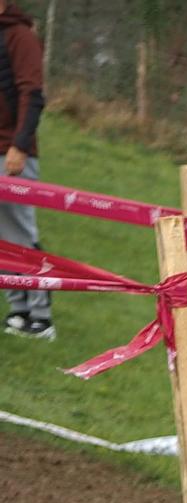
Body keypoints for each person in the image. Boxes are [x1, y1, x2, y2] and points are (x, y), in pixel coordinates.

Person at [0, 0, 50, 341]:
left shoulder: (20, 36)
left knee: (21, 233)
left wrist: (20, 145)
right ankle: (18, 309)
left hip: (12, 153)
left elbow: (32, 93)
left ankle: (41, 317)